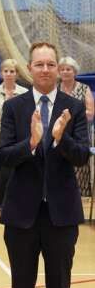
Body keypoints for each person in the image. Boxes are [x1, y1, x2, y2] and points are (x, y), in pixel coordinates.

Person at [0, 42, 90, 288]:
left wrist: (60, 139)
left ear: (57, 68)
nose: (46, 69)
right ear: (29, 68)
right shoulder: (14, 107)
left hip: (61, 217)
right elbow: (5, 156)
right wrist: (33, 143)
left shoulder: (73, 107)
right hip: (21, 216)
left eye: (51, 64)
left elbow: (81, 157)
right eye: (40, 64)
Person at [0, 59, 27, 223]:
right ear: (1, 73)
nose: (9, 74)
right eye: (6, 71)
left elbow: (24, 117)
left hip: (15, 142)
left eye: (12, 71)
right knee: (4, 176)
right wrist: (4, 106)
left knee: (8, 175)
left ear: (17, 74)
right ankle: (1, 209)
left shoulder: (23, 92)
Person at [58, 56, 94, 197]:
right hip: (59, 134)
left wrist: (70, 116)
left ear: (75, 72)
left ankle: (79, 200)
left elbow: (90, 114)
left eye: (68, 69)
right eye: (62, 69)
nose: (65, 72)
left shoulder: (84, 89)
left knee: (79, 170)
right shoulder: (55, 89)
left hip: (80, 134)